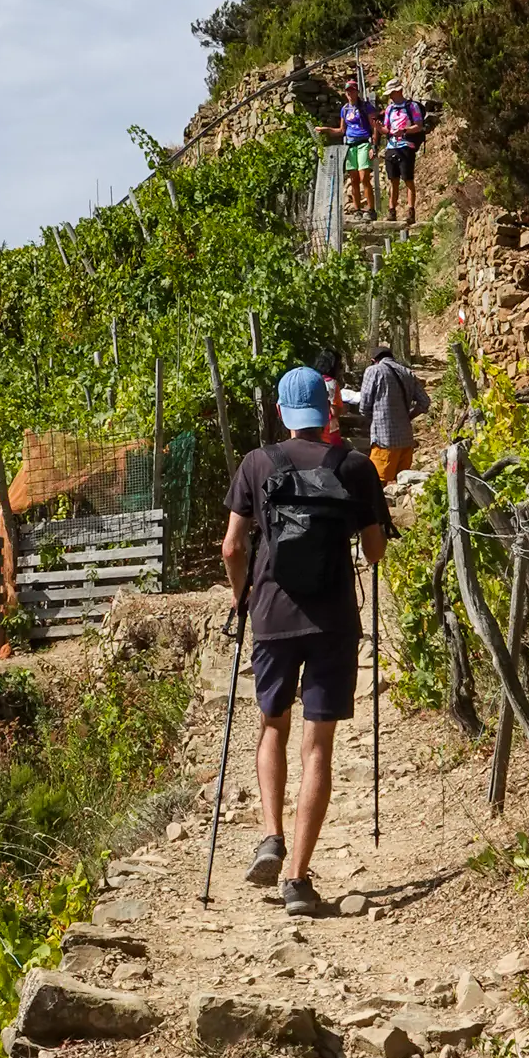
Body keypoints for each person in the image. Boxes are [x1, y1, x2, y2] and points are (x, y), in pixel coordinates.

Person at [223, 364, 389, 914]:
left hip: (271, 614)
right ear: (330, 411)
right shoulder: (355, 467)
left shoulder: (256, 464)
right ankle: (297, 878)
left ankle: (271, 834)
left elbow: (231, 548)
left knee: (272, 725)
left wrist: (240, 597)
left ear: (280, 413)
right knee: (318, 742)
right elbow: (373, 551)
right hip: (333, 621)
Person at [350, 344, 430, 489]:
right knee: (401, 485)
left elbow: (364, 406)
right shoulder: (407, 372)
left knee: (375, 484)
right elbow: (425, 402)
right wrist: (408, 417)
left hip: (384, 440)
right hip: (406, 440)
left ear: (374, 360)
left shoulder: (374, 371)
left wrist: (374, 419)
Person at [379, 81, 428, 228]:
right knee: (393, 180)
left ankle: (410, 211)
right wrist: (380, 129)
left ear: (398, 91)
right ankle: (391, 210)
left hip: (406, 146)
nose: (391, 97)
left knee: (408, 179)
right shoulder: (389, 109)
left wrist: (404, 131)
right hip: (391, 146)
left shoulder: (411, 106)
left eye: (392, 93)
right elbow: (387, 129)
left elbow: (418, 126)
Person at [335, 71, 381, 219]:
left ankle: (371, 209)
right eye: (347, 91)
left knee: (364, 177)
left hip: (363, 142)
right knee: (353, 178)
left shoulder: (365, 107)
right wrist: (326, 131)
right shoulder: (345, 109)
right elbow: (342, 130)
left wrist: (374, 145)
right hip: (350, 145)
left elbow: (374, 125)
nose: (350, 93)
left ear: (357, 92)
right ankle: (357, 209)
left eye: (352, 91)